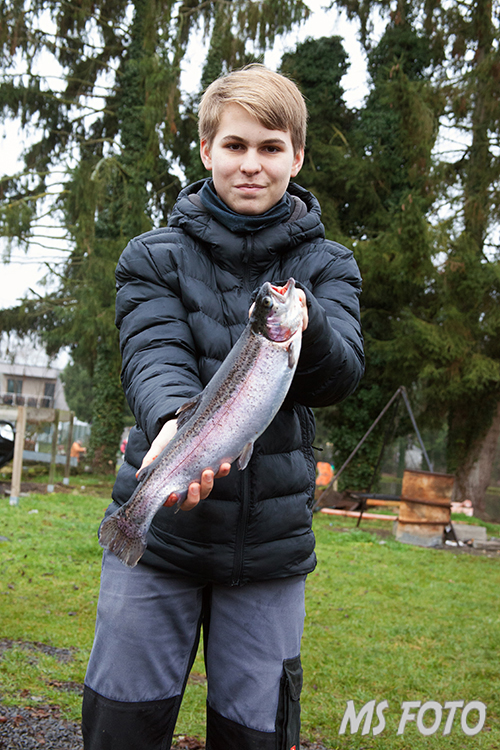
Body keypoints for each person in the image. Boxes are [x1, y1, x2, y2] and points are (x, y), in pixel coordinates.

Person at [82, 64, 364, 750]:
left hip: (270, 549)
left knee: (254, 733)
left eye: (271, 148)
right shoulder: (152, 257)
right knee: (121, 725)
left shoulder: (330, 266)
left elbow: (340, 376)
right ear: (207, 150)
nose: (251, 164)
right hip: (161, 535)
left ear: (297, 157)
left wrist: (310, 326)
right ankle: (131, 524)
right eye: (235, 145)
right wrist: (171, 425)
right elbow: (154, 354)